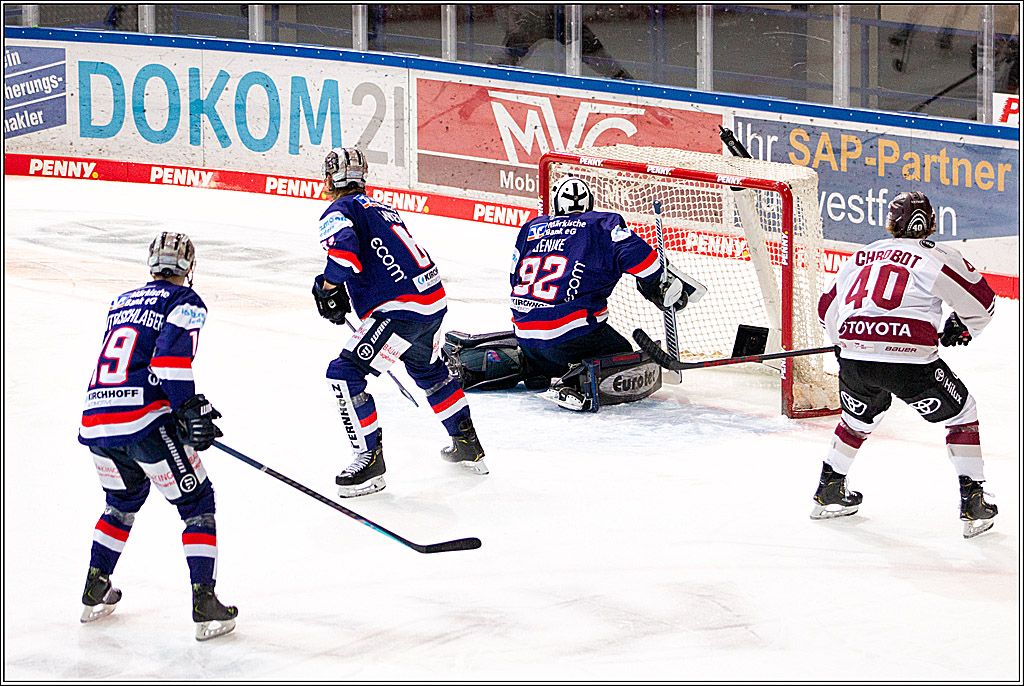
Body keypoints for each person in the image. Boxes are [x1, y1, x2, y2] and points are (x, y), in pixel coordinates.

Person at [78, 232, 236, 641]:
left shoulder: (121, 302)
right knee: (197, 502)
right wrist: (187, 407)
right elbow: (168, 361)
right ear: (188, 268)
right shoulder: (185, 302)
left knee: (121, 503)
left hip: (96, 422)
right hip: (143, 422)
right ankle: (204, 600)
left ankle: (96, 586)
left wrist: (185, 409)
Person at [814, 191, 998, 538]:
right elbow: (983, 304)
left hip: (856, 359)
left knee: (856, 420)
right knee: (962, 413)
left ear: (890, 224)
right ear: (930, 224)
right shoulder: (936, 255)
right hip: (910, 363)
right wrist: (963, 327)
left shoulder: (860, 256)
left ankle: (830, 490)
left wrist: (844, 346)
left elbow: (827, 311)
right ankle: (973, 501)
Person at [312, 147, 487, 497]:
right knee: (429, 372)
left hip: (400, 311)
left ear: (331, 180)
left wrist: (329, 286)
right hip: (432, 303)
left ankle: (369, 461)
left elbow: (343, 250)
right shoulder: (382, 207)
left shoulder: (338, 209)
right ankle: (468, 445)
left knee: (344, 375)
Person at [443, 176, 691, 412]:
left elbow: (513, 278)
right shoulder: (602, 224)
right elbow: (644, 261)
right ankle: (576, 380)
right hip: (574, 337)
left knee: (540, 344)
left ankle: (493, 364)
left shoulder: (532, 228)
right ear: (590, 204)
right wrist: (655, 284)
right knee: (625, 358)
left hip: (527, 334)